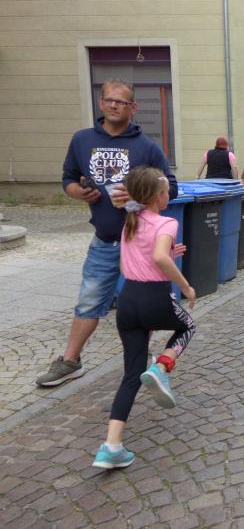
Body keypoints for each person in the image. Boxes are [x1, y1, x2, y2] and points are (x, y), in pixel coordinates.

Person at [36, 79, 178, 388]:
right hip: (105, 240)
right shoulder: (82, 140)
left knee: (141, 304)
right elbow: (68, 179)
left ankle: (138, 361)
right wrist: (78, 192)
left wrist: (137, 197)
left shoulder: (147, 147)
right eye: (109, 100)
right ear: (101, 103)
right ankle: (70, 362)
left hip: (140, 242)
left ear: (132, 108)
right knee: (89, 301)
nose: (114, 105)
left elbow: (172, 188)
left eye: (121, 102)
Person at [92, 166, 196, 469]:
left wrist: (169, 255)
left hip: (128, 302)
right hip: (155, 298)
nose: (168, 196)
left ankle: (111, 445)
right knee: (188, 326)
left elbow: (133, 263)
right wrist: (185, 286)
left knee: (131, 374)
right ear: (158, 196)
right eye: (165, 192)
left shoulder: (130, 222)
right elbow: (159, 257)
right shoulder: (167, 222)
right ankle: (162, 367)